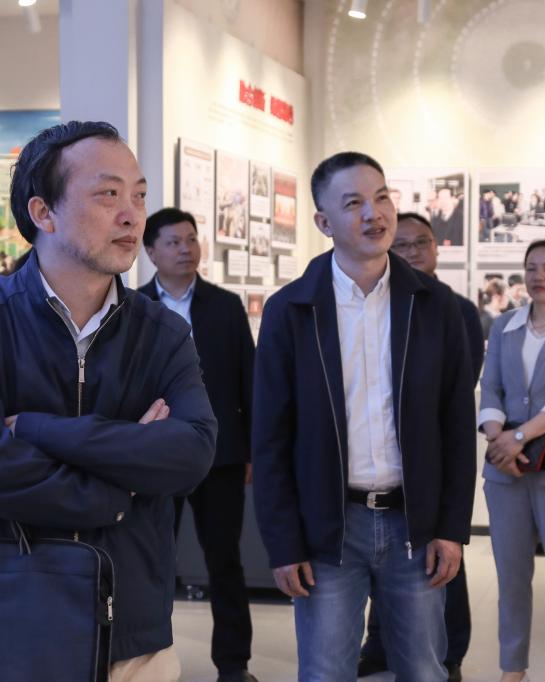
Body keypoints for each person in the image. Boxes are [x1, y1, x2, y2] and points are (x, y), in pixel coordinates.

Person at [0, 121, 216, 678]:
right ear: (43, 213)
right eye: (108, 194)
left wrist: (37, 429)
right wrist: (120, 489)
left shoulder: (162, 332)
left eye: (139, 196)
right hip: (16, 621)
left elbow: (191, 452)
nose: (132, 215)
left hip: (134, 635)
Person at [252, 151, 476, 682]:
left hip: (414, 524)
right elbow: (270, 437)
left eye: (381, 197)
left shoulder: (436, 306)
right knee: (325, 671)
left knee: (424, 670)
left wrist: (451, 527)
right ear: (323, 222)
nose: (374, 214)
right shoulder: (291, 310)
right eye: (353, 203)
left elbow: (456, 427)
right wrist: (283, 543)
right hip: (328, 528)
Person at [358, 211, 484, 681]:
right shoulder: (376, 304)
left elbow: (457, 387)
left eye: (422, 243)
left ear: (436, 249)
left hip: (431, 460)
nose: (413, 252)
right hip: (381, 461)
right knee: (381, 562)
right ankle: (379, 644)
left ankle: (450, 655)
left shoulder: (455, 309)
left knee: (443, 562)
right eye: (403, 244)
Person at [138, 207, 258, 682]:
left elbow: (248, 379)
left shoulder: (225, 305)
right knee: (151, 560)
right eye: (174, 242)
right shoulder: (133, 306)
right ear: (151, 252)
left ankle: (234, 664)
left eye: (191, 239)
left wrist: (251, 449)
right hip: (154, 455)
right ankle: (148, 658)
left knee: (225, 560)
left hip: (220, 454)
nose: (186, 249)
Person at [479, 239, 545, 682]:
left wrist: (518, 437)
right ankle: (513, 667)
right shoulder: (505, 324)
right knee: (510, 578)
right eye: (531, 268)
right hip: (505, 472)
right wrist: (498, 441)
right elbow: (491, 388)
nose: (538, 276)